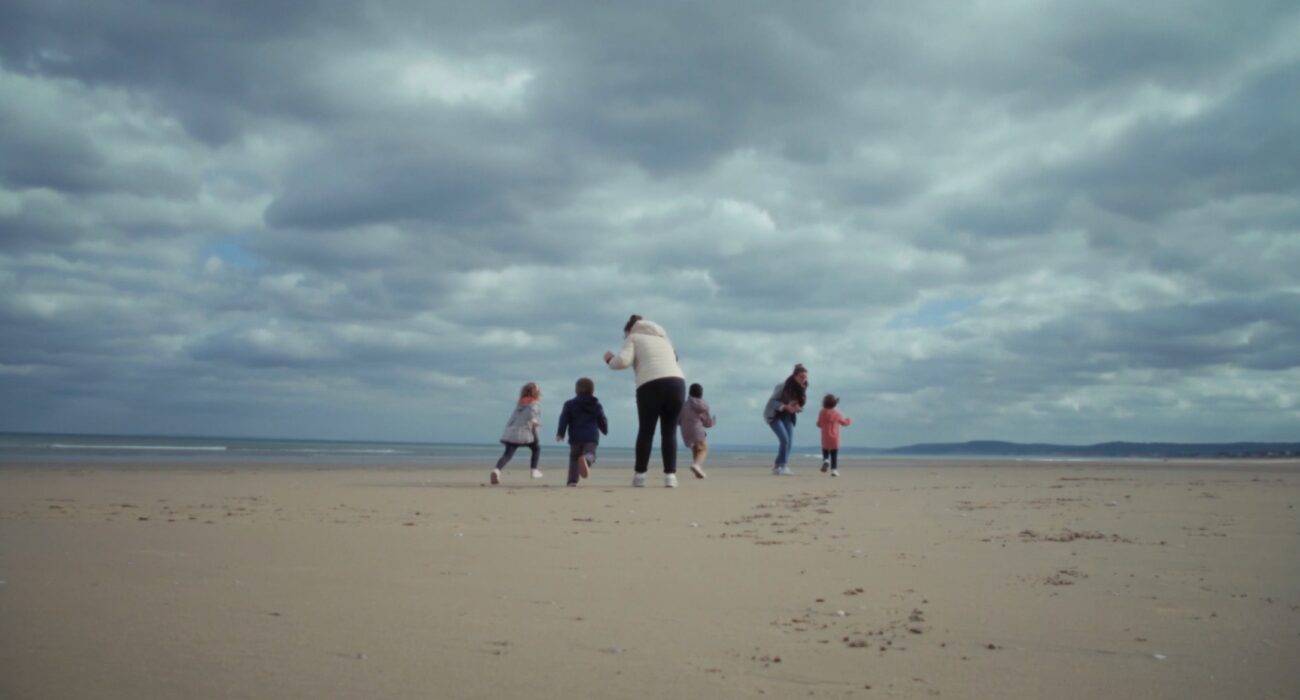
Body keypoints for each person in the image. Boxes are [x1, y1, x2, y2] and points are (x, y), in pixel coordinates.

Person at [604, 314, 687, 488]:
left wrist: (610, 359)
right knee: (669, 432)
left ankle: (640, 475)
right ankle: (670, 476)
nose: (624, 338)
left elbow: (624, 361)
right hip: (677, 383)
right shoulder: (664, 339)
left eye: (624, 335)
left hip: (651, 384)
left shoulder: (633, 337)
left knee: (646, 431)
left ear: (629, 329)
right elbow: (675, 358)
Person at [555, 377, 609, 487]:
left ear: (576, 390)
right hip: (591, 436)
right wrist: (604, 429)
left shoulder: (569, 404)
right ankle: (586, 460)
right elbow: (601, 419)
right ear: (592, 390)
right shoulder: (596, 405)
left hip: (575, 437)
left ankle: (572, 481)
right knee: (590, 454)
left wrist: (560, 433)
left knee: (574, 458)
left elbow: (564, 418)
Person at [490, 382, 543, 485]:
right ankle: (534, 470)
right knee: (536, 448)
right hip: (525, 433)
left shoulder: (519, 404)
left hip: (512, 433)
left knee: (508, 454)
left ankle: (497, 470)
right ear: (536, 394)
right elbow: (532, 416)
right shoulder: (534, 404)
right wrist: (536, 422)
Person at [763, 364, 808, 475]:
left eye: (806, 377)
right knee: (784, 440)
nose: (804, 379)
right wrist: (785, 407)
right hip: (774, 414)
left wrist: (797, 408)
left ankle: (777, 466)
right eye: (802, 377)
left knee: (790, 441)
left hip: (788, 416)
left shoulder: (802, 389)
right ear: (795, 376)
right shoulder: (782, 386)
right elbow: (771, 402)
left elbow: (796, 403)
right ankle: (783, 466)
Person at [679, 383, 716, 479]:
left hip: (685, 430)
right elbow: (707, 423)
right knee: (704, 448)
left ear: (690, 393)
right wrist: (713, 422)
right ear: (701, 394)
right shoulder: (703, 405)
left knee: (695, 448)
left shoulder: (684, 404)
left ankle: (697, 472)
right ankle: (697, 466)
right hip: (697, 429)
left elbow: (678, 420)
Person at [816, 394, 852, 477]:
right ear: (834, 404)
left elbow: (819, 424)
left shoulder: (822, 412)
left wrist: (819, 424)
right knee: (834, 454)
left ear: (824, 403)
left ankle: (825, 460)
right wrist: (849, 420)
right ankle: (834, 470)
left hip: (825, 437)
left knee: (825, 450)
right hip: (834, 437)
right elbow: (844, 423)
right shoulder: (837, 414)